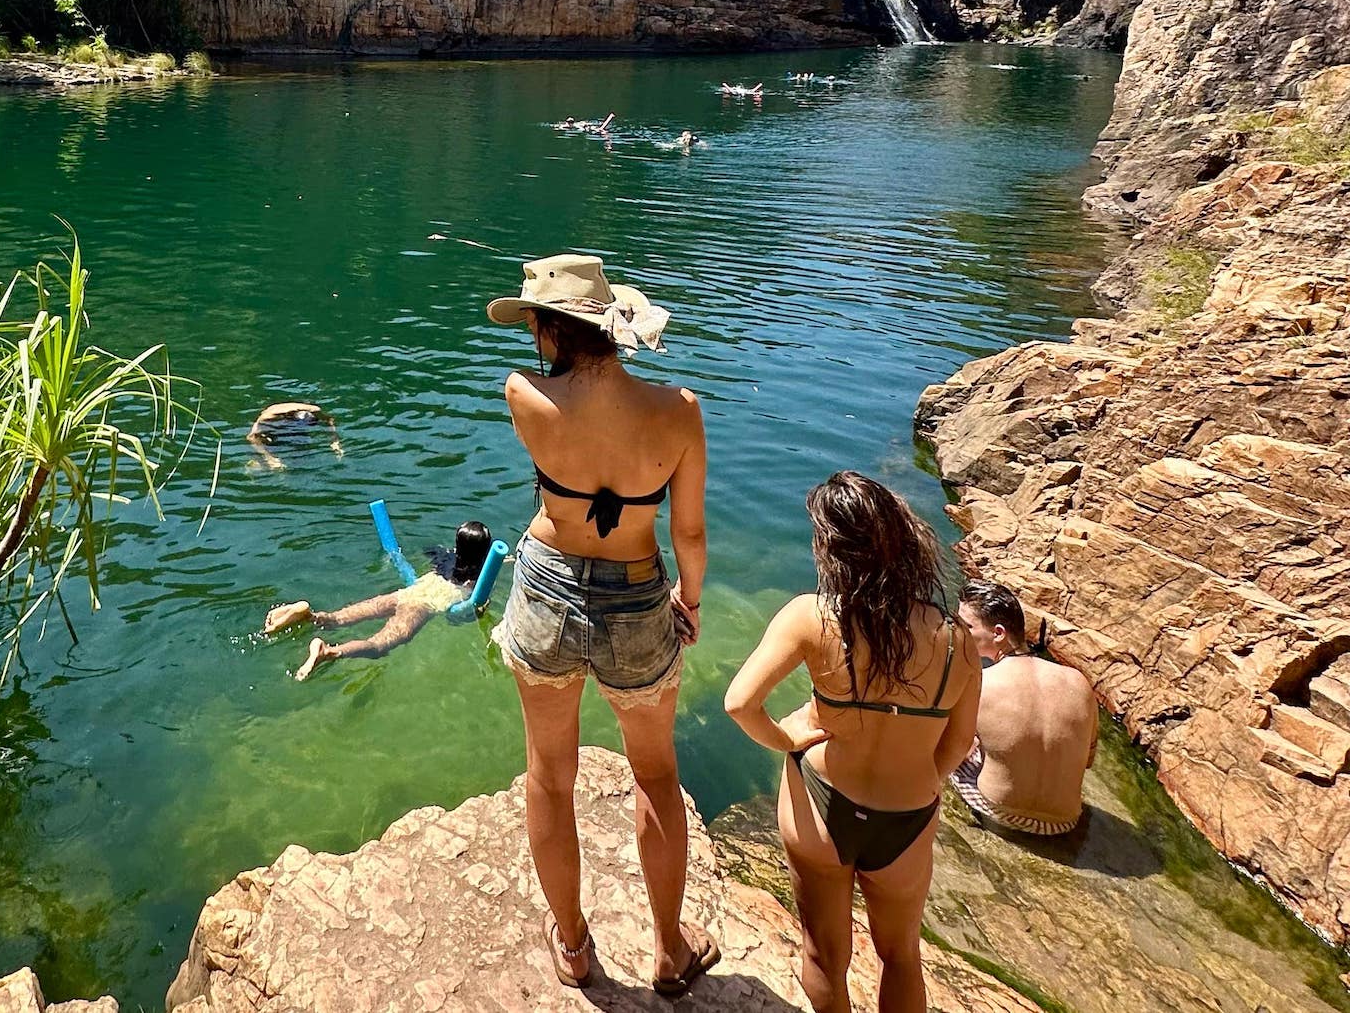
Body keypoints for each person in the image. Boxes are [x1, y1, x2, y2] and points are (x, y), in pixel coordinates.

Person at [484, 254, 717, 996]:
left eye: (535, 325)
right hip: (640, 591)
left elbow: (563, 454)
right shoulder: (679, 410)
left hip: (549, 586)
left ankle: (577, 948)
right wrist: (691, 600)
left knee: (550, 777)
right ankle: (670, 952)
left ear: (551, 330)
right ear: (612, 325)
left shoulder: (524, 396)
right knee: (655, 775)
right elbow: (691, 535)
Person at [724, 473, 981, 1013]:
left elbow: (739, 704)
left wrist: (784, 736)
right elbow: (957, 747)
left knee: (823, 956)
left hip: (821, 806)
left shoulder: (812, 617)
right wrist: (925, 778)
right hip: (906, 820)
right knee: (902, 956)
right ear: (903, 539)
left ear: (831, 549)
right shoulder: (958, 642)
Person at [953, 579, 1097, 837]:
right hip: (1065, 822)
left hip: (1001, 813)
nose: (957, 632)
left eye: (966, 627)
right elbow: (1088, 761)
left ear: (998, 634)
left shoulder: (982, 682)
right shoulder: (1079, 682)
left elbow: (954, 752)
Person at [266, 521, 494, 680]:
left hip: (404, 594)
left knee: (337, 618)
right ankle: (329, 652)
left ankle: (309, 615)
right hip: (420, 607)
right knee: (379, 645)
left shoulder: (446, 556)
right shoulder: (476, 579)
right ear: (485, 553)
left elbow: (431, 552)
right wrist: (481, 610)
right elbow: (460, 616)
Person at [247, 401, 343, 472]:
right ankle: (256, 463)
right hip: (273, 430)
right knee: (265, 446)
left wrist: (335, 441)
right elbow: (251, 437)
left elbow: (329, 420)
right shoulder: (269, 417)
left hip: (290, 423)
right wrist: (269, 458)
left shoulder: (315, 411)